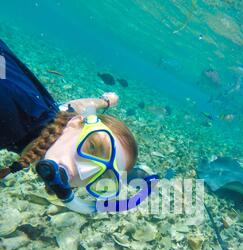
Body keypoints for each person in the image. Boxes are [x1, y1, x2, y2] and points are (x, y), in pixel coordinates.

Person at [0, 39, 157, 214]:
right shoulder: (8, 114)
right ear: (75, 123)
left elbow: (78, 106)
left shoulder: (56, 115)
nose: (84, 171)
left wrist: (105, 102)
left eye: (100, 176)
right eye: (92, 147)